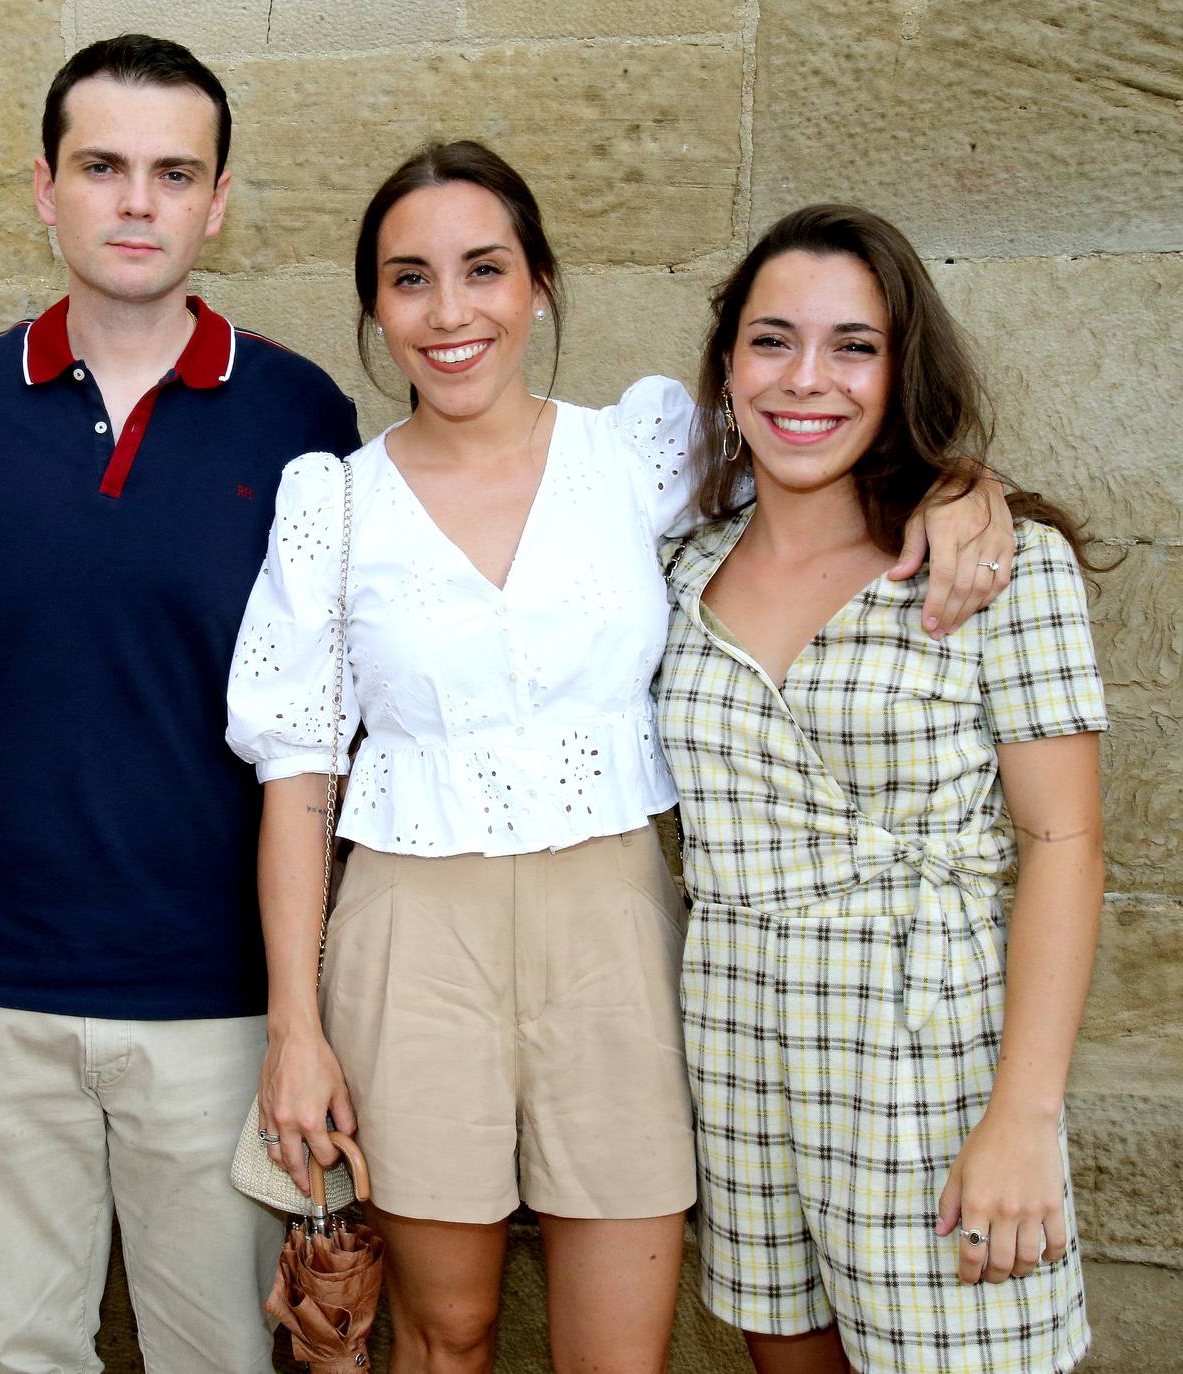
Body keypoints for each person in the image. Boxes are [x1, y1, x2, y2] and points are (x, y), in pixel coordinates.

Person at [226, 144, 1015, 1374]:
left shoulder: (640, 453)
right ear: (374, 309)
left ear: (538, 284)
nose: (450, 313)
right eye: (409, 280)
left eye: (483, 270)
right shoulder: (333, 502)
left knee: (618, 1352)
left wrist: (963, 487)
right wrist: (294, 1029)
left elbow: (821, 435)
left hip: (614, 926)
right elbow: (296, 771)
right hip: (407, 932)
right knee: (449, 1333)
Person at [0, 36, 360, 1374]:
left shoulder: (299, 414)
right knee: (23, 1348)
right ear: (46, 188)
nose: (136, 201)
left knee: (217, 1353)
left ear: (217, 201)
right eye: (103, 167)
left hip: (215, 1002)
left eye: (173, 172)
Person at [656, 203, 1106, 1374]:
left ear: (903, 365)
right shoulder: (673, 564)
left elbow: (1063, 840)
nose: (807, 379)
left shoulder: (1001, 567)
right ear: (723, 363)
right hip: (737, 1041)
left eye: (853, 344)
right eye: (771, 340)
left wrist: (1024, 1118)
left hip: (930, 1051)